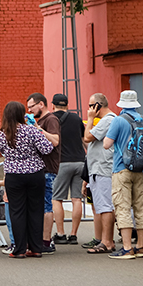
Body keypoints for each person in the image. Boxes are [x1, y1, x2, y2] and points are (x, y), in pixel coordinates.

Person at [0, 101, 54, 258]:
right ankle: (36, 247)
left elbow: (1, 151)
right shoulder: (30, 131)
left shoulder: (1, 134)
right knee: (35, 210)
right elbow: (47, 148)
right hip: (35, 172)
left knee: (17, 211)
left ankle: (19, 249)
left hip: (13, 175)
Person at [103, 90, 143, 260]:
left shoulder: (118, 120)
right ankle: (140, 247)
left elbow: (106, 144)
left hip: (121, 168)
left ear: (121, 104)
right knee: (141, 206)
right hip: (141, 170)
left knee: (122, 207)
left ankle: (126, 248)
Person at [26, 93, 61, 254]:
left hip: (48, 167)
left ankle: (46, 241)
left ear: (41, 104)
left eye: (31, 107)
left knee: (47, 204)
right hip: (40, 168)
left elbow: (55, 140)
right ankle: (40, 238)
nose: (30, 110)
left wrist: (38, 130)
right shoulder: (41, 121)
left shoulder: (51, 120)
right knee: (40, 204)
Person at [84, 94, 117, 254]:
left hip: (103, 168)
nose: (89, 109)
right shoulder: (109, 120)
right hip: (98, 168)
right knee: (102, 206)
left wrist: (90, 119)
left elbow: (87, 137)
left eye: (91, 106)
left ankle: (107, 241)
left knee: (105, 206)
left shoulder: (107, 120)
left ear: (97, 106)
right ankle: (106, 240)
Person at [51, 93, 86, 245]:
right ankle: (74, 234)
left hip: (62, 162)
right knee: (76, 198)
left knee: (56, 198)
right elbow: (84, 139)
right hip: (79, 161)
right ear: (67, 104)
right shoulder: (77, 119)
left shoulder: (52, 119)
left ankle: (60, 233)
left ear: (53, 105)